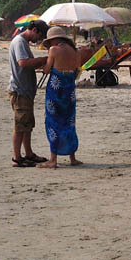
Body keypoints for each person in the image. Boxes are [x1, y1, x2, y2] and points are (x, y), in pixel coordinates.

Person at [39, 26, 82, 168]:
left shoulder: (54, 50)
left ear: (54, 40)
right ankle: (72, 157)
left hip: (56, 89)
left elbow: (47, 69)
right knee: (69, 121)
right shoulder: (75, 51)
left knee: (54, 122)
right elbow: (77, 69)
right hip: (69, 88)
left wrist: (44, 65)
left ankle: (53, 159)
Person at [8, 20, 49, 167]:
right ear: (34, 30)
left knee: (27, 124)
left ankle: (28, 154)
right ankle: (17, 158)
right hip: (20, 90)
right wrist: (44, 59)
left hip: (25, 90)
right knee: (20, 125)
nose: (38, 40)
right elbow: (23, 63)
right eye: (39, 36)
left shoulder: (22, 42)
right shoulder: (19, 41)